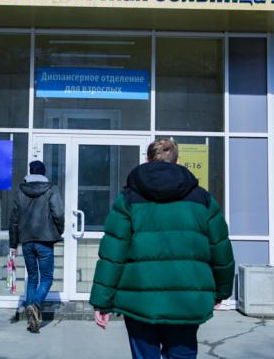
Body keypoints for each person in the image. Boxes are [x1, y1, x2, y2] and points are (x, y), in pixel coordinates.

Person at [89, 138, 235, 359]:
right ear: (177, 160)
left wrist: (102, 302)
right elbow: (221, 250)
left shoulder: (128, 199)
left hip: (140, 301)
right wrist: (222, 291)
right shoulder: (203, 199)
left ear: (147, 159)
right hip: (186, 300)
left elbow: (113, 254)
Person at [9, 160, 65, 333]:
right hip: (45, 241)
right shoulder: (51, 189)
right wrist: (59, 230)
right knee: (47, 277)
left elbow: (14, 219)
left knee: (32, 277)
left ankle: (31, 318)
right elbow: (58, 213)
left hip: (27, 241)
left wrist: (13, 243)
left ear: (30, 172)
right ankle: (35, 304)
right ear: (43, 172)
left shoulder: (21, 191)